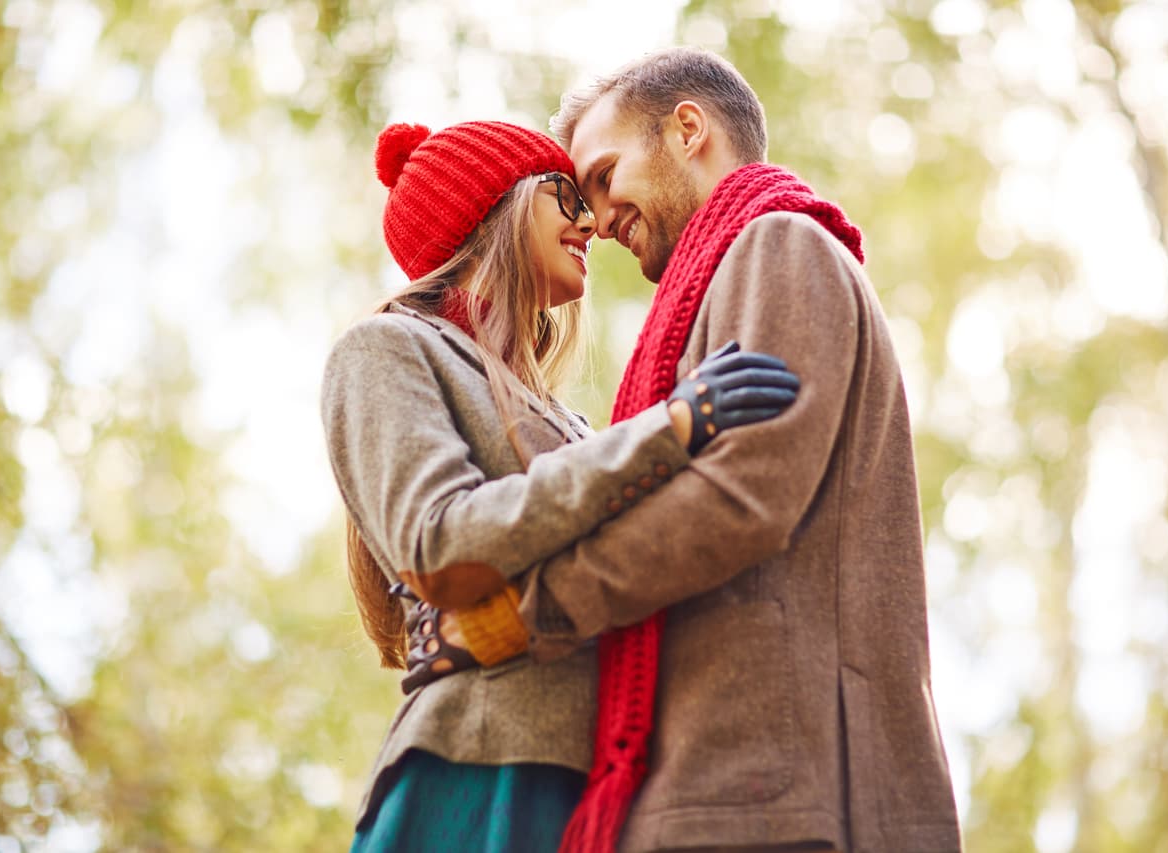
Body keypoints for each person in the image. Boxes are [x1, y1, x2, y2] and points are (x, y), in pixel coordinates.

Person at [410, 48, 964, 852]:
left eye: (603, 175)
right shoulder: (731, 273)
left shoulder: (779, 247)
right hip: (740, 789)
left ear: (688, 130)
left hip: (784, 796)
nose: (596, 219)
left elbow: (741, 498)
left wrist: (518, 617)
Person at [320, 119, 800, 852]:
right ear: (495, 207)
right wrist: (668, 430)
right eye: (566, 195)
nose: (591, 223)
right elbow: (439, 542)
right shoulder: (387, 347)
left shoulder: (565, 418)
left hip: (603, 782)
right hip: (480, 763)